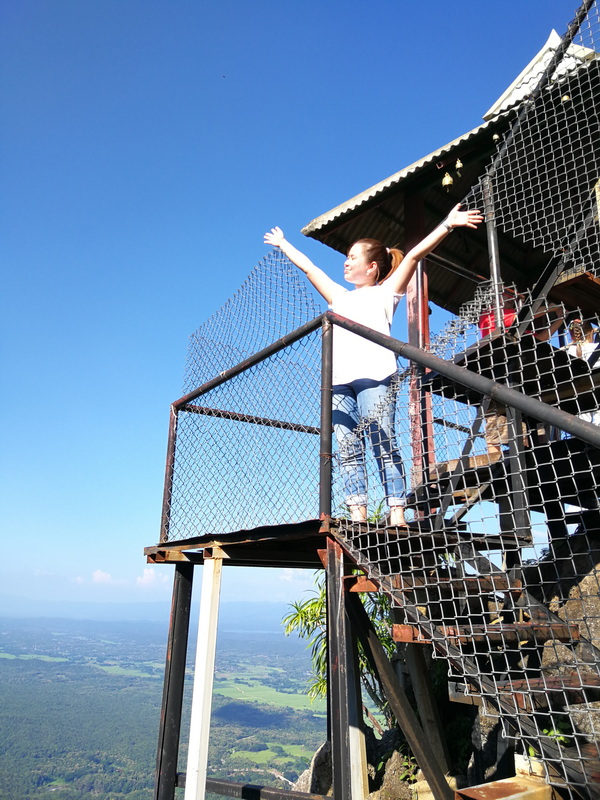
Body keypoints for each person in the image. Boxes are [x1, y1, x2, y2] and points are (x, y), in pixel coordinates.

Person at [264, 204, 483, 526]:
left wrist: (448, 225)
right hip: (338, 381)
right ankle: (358, 512)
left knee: (383, 442)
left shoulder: (386, 293)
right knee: (347, 446)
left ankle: (396, 512)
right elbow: (310, 269)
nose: (346, 262)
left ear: (372, 267)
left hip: (376, 378)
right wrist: (284, 245)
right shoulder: (338, 297)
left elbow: (413, 256)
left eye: (353, 257)